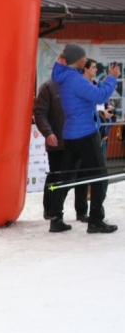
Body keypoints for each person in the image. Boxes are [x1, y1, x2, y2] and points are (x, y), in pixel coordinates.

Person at [49, 43, 119, 233]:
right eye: (84, 57)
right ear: (77, 59)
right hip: (85, 134)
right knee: (100, 177)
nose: (86, 59)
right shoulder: (75, 79)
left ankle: (56, 217)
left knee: (66, 178)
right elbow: (100, 96)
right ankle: (96, 220)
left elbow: (92, 95)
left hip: (71, 134)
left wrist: (103, 81)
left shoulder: (65, 77)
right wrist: (112, 78)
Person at [34, 53, 89, 224]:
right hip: (58, 141)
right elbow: (40, 113)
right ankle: (50, 209)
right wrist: (48, 133)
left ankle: (82, 211)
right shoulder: (48, 87)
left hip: (79, 139)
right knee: (56, 177)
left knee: (81, 176)